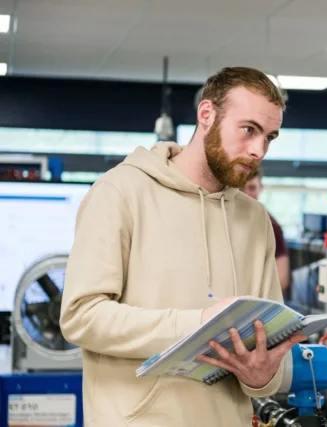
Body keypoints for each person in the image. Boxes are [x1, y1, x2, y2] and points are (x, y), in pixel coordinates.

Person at [59, 67, 306, 427]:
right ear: (206, 115)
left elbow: (269, 346)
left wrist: (263, 377)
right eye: (249, 130)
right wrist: (197, 324)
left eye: (270, 137)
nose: (258, 150)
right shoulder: (120, 192)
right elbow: (81, 317)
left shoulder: (255, 220)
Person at [241, 168, 290, 292]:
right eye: (241, 189)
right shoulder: (226, 219)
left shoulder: (271, 225)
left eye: (251, 188)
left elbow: (282, 278)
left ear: (260, 188)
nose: (246, 194)